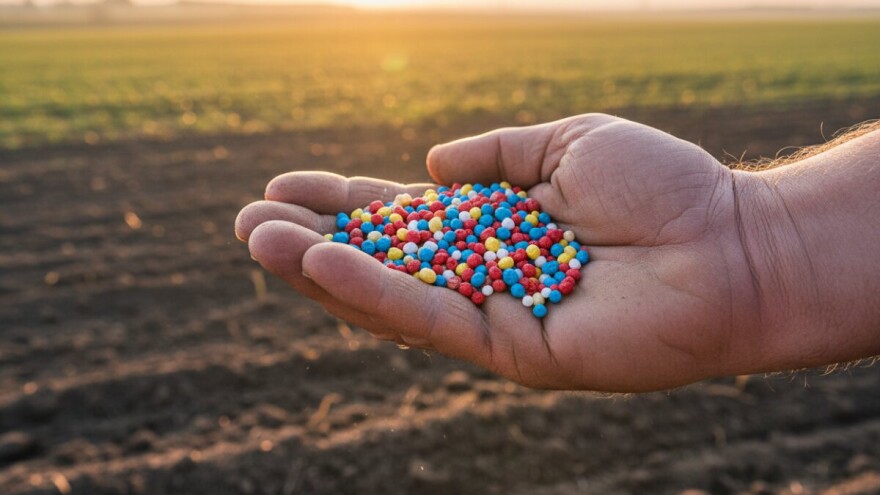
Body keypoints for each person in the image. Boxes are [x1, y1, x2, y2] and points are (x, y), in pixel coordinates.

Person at [234, 114, 879, 392]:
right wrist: (750, 238)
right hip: (504, 256)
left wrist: (744, 238)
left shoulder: (532, 247)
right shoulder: (493, 234)